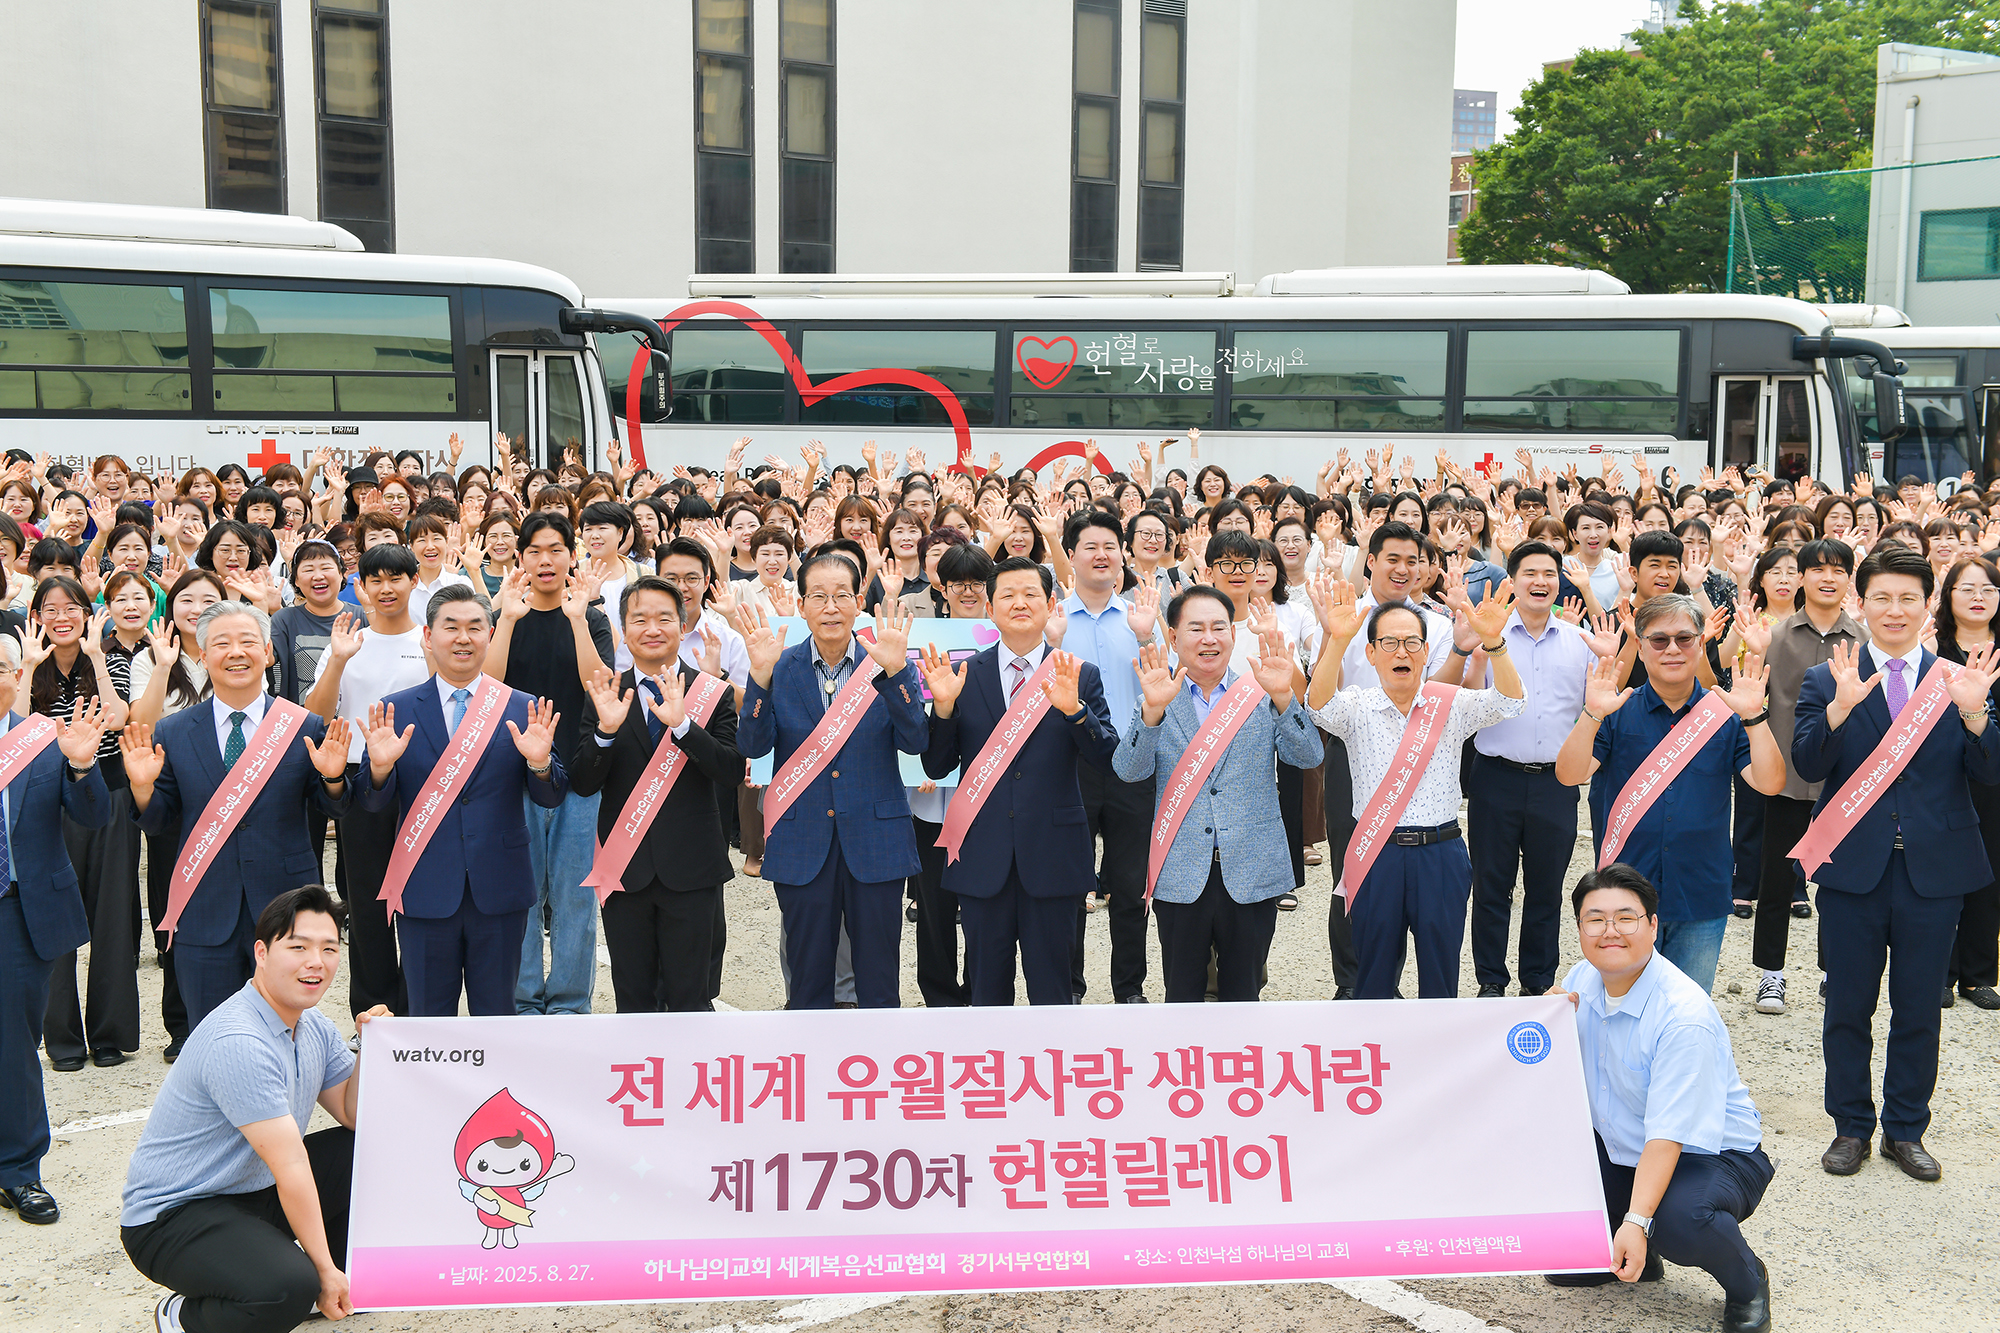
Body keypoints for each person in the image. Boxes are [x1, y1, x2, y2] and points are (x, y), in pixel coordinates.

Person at [1792, 545, 2000, 1182]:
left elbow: (1991, 772)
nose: (1895, 609)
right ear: (1862, 603)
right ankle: (1851, 1126)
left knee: (1918, 1009)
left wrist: (1975, 714)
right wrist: (1839, 709)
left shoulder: (1959, 677)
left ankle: (1905, 1130)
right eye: (1881, 597)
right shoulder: (1829, 678)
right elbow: (1807, 763)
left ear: (1928, 605)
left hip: (1934, 872)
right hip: (1854, 868)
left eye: (1909, 597)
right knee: (1847, 1006)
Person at [121, 886, 389, 1333]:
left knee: (368, 1149)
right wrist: (320, 1270)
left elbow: (353, 1115)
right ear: (261, 952)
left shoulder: (312, 1024)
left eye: (328, 949)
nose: (316, 962)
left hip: (252, 1192)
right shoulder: (239, 1040)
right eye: (298, 947)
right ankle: (182, 1316)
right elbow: (290, 1166)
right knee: (288, 1287)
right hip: (176, 1216)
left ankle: (341, 1281)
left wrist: (370, 1048)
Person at [1544, 864, 1774, 1333]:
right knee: (1557, 1198)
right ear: (1580, 928)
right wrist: (1547, 1022)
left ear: (1652, 925)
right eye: (1595, 919)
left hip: (1710, 1154)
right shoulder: (1581, 980)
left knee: (1678, 1222)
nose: (1610, 931)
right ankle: (1639, 1257)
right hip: (1625, 1143)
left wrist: (1636, 1220)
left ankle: (1748, 1281)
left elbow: (1668, 1135)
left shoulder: (1683, 1016)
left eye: (1625, 918)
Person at [124, 601, 354, 1032]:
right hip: (205, 908)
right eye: (222, 644)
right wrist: (141, 788)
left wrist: (333, 777)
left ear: (267, 652)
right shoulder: (174, 731)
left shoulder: (301, 725)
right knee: (212, 1034)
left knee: (291, 1032)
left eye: (248, 642)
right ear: (204, 655)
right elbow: (157, 822)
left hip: (287, 906)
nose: (236, 652)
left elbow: (334, 807)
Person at [1555, 593, 1786, 993]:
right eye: (1659, 640)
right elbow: (1569, 775)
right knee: (1621, 1008)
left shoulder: (1726, 713)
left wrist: (1754, 717)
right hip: (1624, 893)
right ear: (1641, 646)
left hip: (1701, 891)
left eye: (1684, 638)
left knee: (1686, 1012)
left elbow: (1769, 783)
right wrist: (1591, 714)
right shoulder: (1616, 709)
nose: (1673, 650)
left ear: (1701, 642)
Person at [1307, 582, 1523, 999]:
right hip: (1376, 854)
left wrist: (1495, 643)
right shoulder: (1357, 706)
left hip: (1440, 855)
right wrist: (1337, 640)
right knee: (1373, 978)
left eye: (1411, 643)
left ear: (1426, 653)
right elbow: (1319, 706)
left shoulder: (1450, 703)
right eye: (1388, 643)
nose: (1401, 652)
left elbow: (1510, 703)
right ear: (1371, 653)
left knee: (1441, 978)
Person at [920, 557, 1119, 1005]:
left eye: (1031, 594)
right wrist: (944, 709)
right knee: (986, 992)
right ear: (990, 608)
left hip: (1053, 854)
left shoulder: (1077, 673)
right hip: (981, 854)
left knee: (1054, 992)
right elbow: (935, 766)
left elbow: (1107, 758)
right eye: (1007, 595)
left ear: (1050, 605)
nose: (1020, 603)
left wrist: (1076, 712)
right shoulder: (964, 674)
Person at [360, 585, 566, 1018]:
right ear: (428, 636)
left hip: (500, 884)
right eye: (450, 627)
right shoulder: (396, 710)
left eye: (475, 627)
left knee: (497, 1016)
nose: (463, 638)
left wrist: (540, 763)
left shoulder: (521, 707)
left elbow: (551, 794)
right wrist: (379, 769)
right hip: (424, 885)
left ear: (489, 635)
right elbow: (372, 803)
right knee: (427, 1018)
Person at [1112, 585, 1323, 1003]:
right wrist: (1151, 713)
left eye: (1218, 627)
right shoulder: (1158, 696)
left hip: (1251, 867)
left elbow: (1308, 756)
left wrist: (1285, 696)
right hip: (1180, 870)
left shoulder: (1260, 692)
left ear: (1232, 633)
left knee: (1244, 994)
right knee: (1182, 996)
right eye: (1196, 629)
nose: (1208, 639)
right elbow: (1128, 771)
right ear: (1174, 638)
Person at [735, 555, 927, 1010]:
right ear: (802, 605)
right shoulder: (780, 666)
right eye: (818, 596)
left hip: (876, 840)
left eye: (842, 595)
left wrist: (898, 674)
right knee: (807, 982)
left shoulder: (886, 661)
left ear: (859, 602)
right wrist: (758, 678)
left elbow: (916, 741)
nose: (831, 607)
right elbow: (753, 746)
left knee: (879, 983)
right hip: (802, 840)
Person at [572, 577, 741, 1013]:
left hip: (692, 870)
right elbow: (583, 781)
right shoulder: (605, 694)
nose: (652, 629)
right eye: (639, 619)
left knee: (691, 998)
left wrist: (684, 727)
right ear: (624, 631)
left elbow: (730, 771)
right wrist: (605, 732)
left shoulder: (712, 691)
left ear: (682, 627)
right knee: (633, 999)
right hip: (624, 869)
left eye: (664, 618)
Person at [1315, 521, 1465, 997]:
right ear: (1371, 561)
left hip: (1424, 751)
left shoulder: (1437, 625)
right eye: (1392, 559)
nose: (1403, 569)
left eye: (1413, 561)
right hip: (1353, 750)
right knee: (1352, 869)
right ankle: (1354, 983)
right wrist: (1335, 636)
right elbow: (1321, 691)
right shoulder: (1344, 611)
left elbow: (1440, 690)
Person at [0, 632, 111, 1225]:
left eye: (0, 667)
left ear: (18, 676)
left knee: (12, 1042)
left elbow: (94, 816)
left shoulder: (44, 740)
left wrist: (83, 765)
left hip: (18, 912)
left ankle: (19, 1171)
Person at [484, 513, 614, 1016]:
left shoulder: (592, 618)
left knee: (575, 897)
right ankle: (521, 1001)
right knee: (521, 894)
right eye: (535, 550)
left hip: (579, 774)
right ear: (520, 557)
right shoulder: (505, 615)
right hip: (512, 775)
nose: (545, 560)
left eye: (556, 549)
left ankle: (569, 1003)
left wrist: (578, 618)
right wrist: (506, 620)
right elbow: (488, 687)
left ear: (571, 556)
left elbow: (599, 685)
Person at [1466, 541, 1602, 997]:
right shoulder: (1491, 635)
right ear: (1512, 581)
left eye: (1549, 573)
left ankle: (1538, 984)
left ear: (1560, 582)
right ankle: (1490, 981)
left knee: (1546, 890)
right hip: (1495, 777)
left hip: (1556, 782)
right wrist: (1478, 655)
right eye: (1530, 573)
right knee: (1491, 886)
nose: (1540, 582)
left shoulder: (1579, 641)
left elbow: (1597, 706)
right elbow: (1469, 701)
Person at [1735, 539, 1863, 1016]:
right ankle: (1771, 975)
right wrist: (1750, 654)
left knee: (1840, 883)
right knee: (1776, 881)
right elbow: (1748, 695)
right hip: (1786, 779)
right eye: (1818, 569)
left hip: (1845, 783)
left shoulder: (1865, 640)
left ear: (1849, 578)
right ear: (1803, 577)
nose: (1828, 578)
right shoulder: (1774, 635)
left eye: (1838, 570)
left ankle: (1835, 972)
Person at [306, 544, 430, 1024]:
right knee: (367, 900)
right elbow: (315, 714)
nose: (385, 588)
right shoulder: (347, 642)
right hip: (361, 779)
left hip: (424, 778)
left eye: (395, 578)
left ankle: (419, 1012)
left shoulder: (430, 638)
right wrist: (338, 661)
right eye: (374, 579)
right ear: (360, 586)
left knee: (424, 898)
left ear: (414, 581)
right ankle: (372, 1016)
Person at [1050, 512, 1162, 1003]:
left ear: (1123, 555)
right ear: (1071, 556)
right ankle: (1069, 987)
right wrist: (1049, 644)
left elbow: (1163, 685)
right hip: (1069, 765)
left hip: (1132, 762)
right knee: (1069, 882)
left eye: (1110, 546)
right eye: (1090, 546)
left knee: (1132, 884)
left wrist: (1146, 636)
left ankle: (1129, 989)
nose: (1101, 555)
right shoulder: (1052, 619)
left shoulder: (1141, 618)